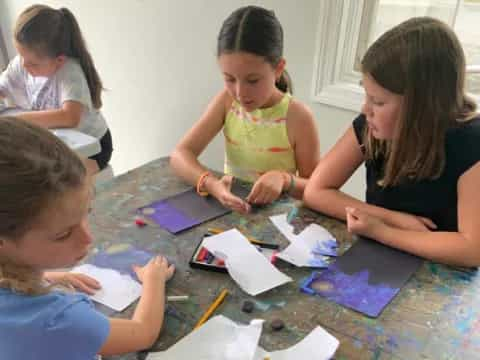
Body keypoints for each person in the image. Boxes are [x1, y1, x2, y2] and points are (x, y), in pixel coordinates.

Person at [304, 17, 480, 267]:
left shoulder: (471, 142)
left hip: (439, 277)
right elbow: (315, 191)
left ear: (420, 107)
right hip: (378, 262)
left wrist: (382, 231)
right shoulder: (371, 127)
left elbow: (471, 250)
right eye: (367, 96)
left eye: (378, 102)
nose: (366, 109)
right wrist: (393, 219)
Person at [0, 117, 174, 359]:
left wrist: (46, 276)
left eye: (86, 214)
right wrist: (154, 282)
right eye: (63, 234)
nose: (88, 238)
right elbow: (143, 333)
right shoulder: (57, 319)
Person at [170, 5, 320, 213]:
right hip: (231, 217)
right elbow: (180, 155)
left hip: (278, 225)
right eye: (230, 79)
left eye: (253, 80)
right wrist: (211, 184)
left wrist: (284, 180)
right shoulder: (226, 102)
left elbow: (317, 192)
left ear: (278, 69)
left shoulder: (298, 117)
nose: (240, 93)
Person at [0, 4, 113, 175]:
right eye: (20, 56)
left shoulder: (70, 72)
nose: (23, 65)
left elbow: (70, 117)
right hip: (61, 143)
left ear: (59, 60)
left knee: (54, 184)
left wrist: (20, 120)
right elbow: (3, 87)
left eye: (33, 63)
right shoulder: (23, 63)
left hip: (94, 146)